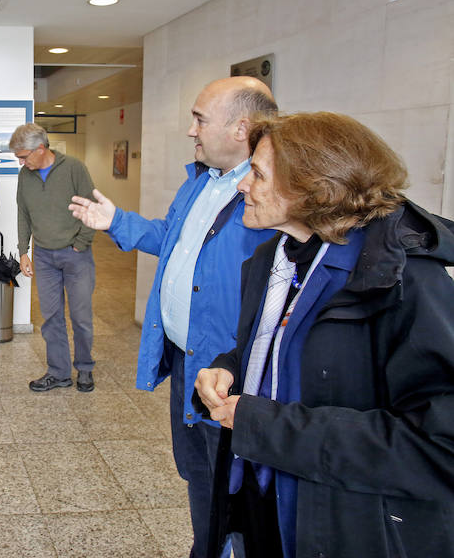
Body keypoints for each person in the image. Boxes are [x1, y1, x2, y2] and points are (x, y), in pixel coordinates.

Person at [193, 111, 454, 558]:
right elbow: (283, 349)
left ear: (312, 188)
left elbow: (438, 448)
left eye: (256, 174)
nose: (242, 186)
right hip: (261, 495)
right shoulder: (273, 258)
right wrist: (228, 370)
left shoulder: (402, 280)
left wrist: (266, 426)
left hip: (342, 523)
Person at [69, 76, 276, 558]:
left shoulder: (267, 196)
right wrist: (117, 222)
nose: (191, 130)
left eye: (200, 119)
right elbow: (173, 240)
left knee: (234, 489)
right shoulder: (202, 181)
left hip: (227, 374)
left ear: (239, 128)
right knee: (198, 475)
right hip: (187, 361)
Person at [11, 123, 97, 392]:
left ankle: (84, 368)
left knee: (81, 316)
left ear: (40, 149)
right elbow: (23, 213)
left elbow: (91, 205)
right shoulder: (25, 176)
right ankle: (59, 372)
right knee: (52, 318)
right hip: (45, 256)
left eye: (24, 156)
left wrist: (81, 243)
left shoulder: (73, 168)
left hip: (76, 255)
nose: (22, 162)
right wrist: (24, 251)